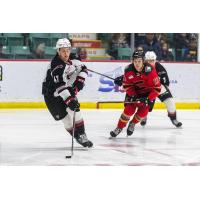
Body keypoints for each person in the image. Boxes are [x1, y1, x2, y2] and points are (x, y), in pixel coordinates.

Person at [42, 38, 93, 148]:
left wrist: (79, 82)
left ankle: (83, 136)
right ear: (58, 51)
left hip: (66, 88)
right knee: (67, 121)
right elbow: (59, 85)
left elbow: (84, 69)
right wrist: (69, 100)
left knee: (75, 110)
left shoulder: (73, 59)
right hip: (51, 95)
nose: (66, 53)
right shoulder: (56, 65)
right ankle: (77, 137)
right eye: (63, 51)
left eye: (67, 50)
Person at [110, 50, 161, 137]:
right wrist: (133, 95)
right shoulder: (128, 70)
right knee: (128, 110)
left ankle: (133, 123)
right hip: (135, 93)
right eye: (135, 61)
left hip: (147, 94)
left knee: (143, 112)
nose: (137, 64)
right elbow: (127, 85)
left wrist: (148, 98)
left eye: (139, 61)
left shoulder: (150, 71)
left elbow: (157, 89)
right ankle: (119, 127)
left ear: (143, 61)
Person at [140, 51, 182, 127]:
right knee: (144, 103)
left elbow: (166, 82)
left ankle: (173, 119)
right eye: (148, 61)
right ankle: (143, 116)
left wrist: (164, 90)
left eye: (152, 60)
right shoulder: (140, 67)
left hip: (159, 86)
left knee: (170, 102)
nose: (150, 62)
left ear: (155, 60)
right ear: (145, 61)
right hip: (146, 88)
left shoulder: (159, 67)